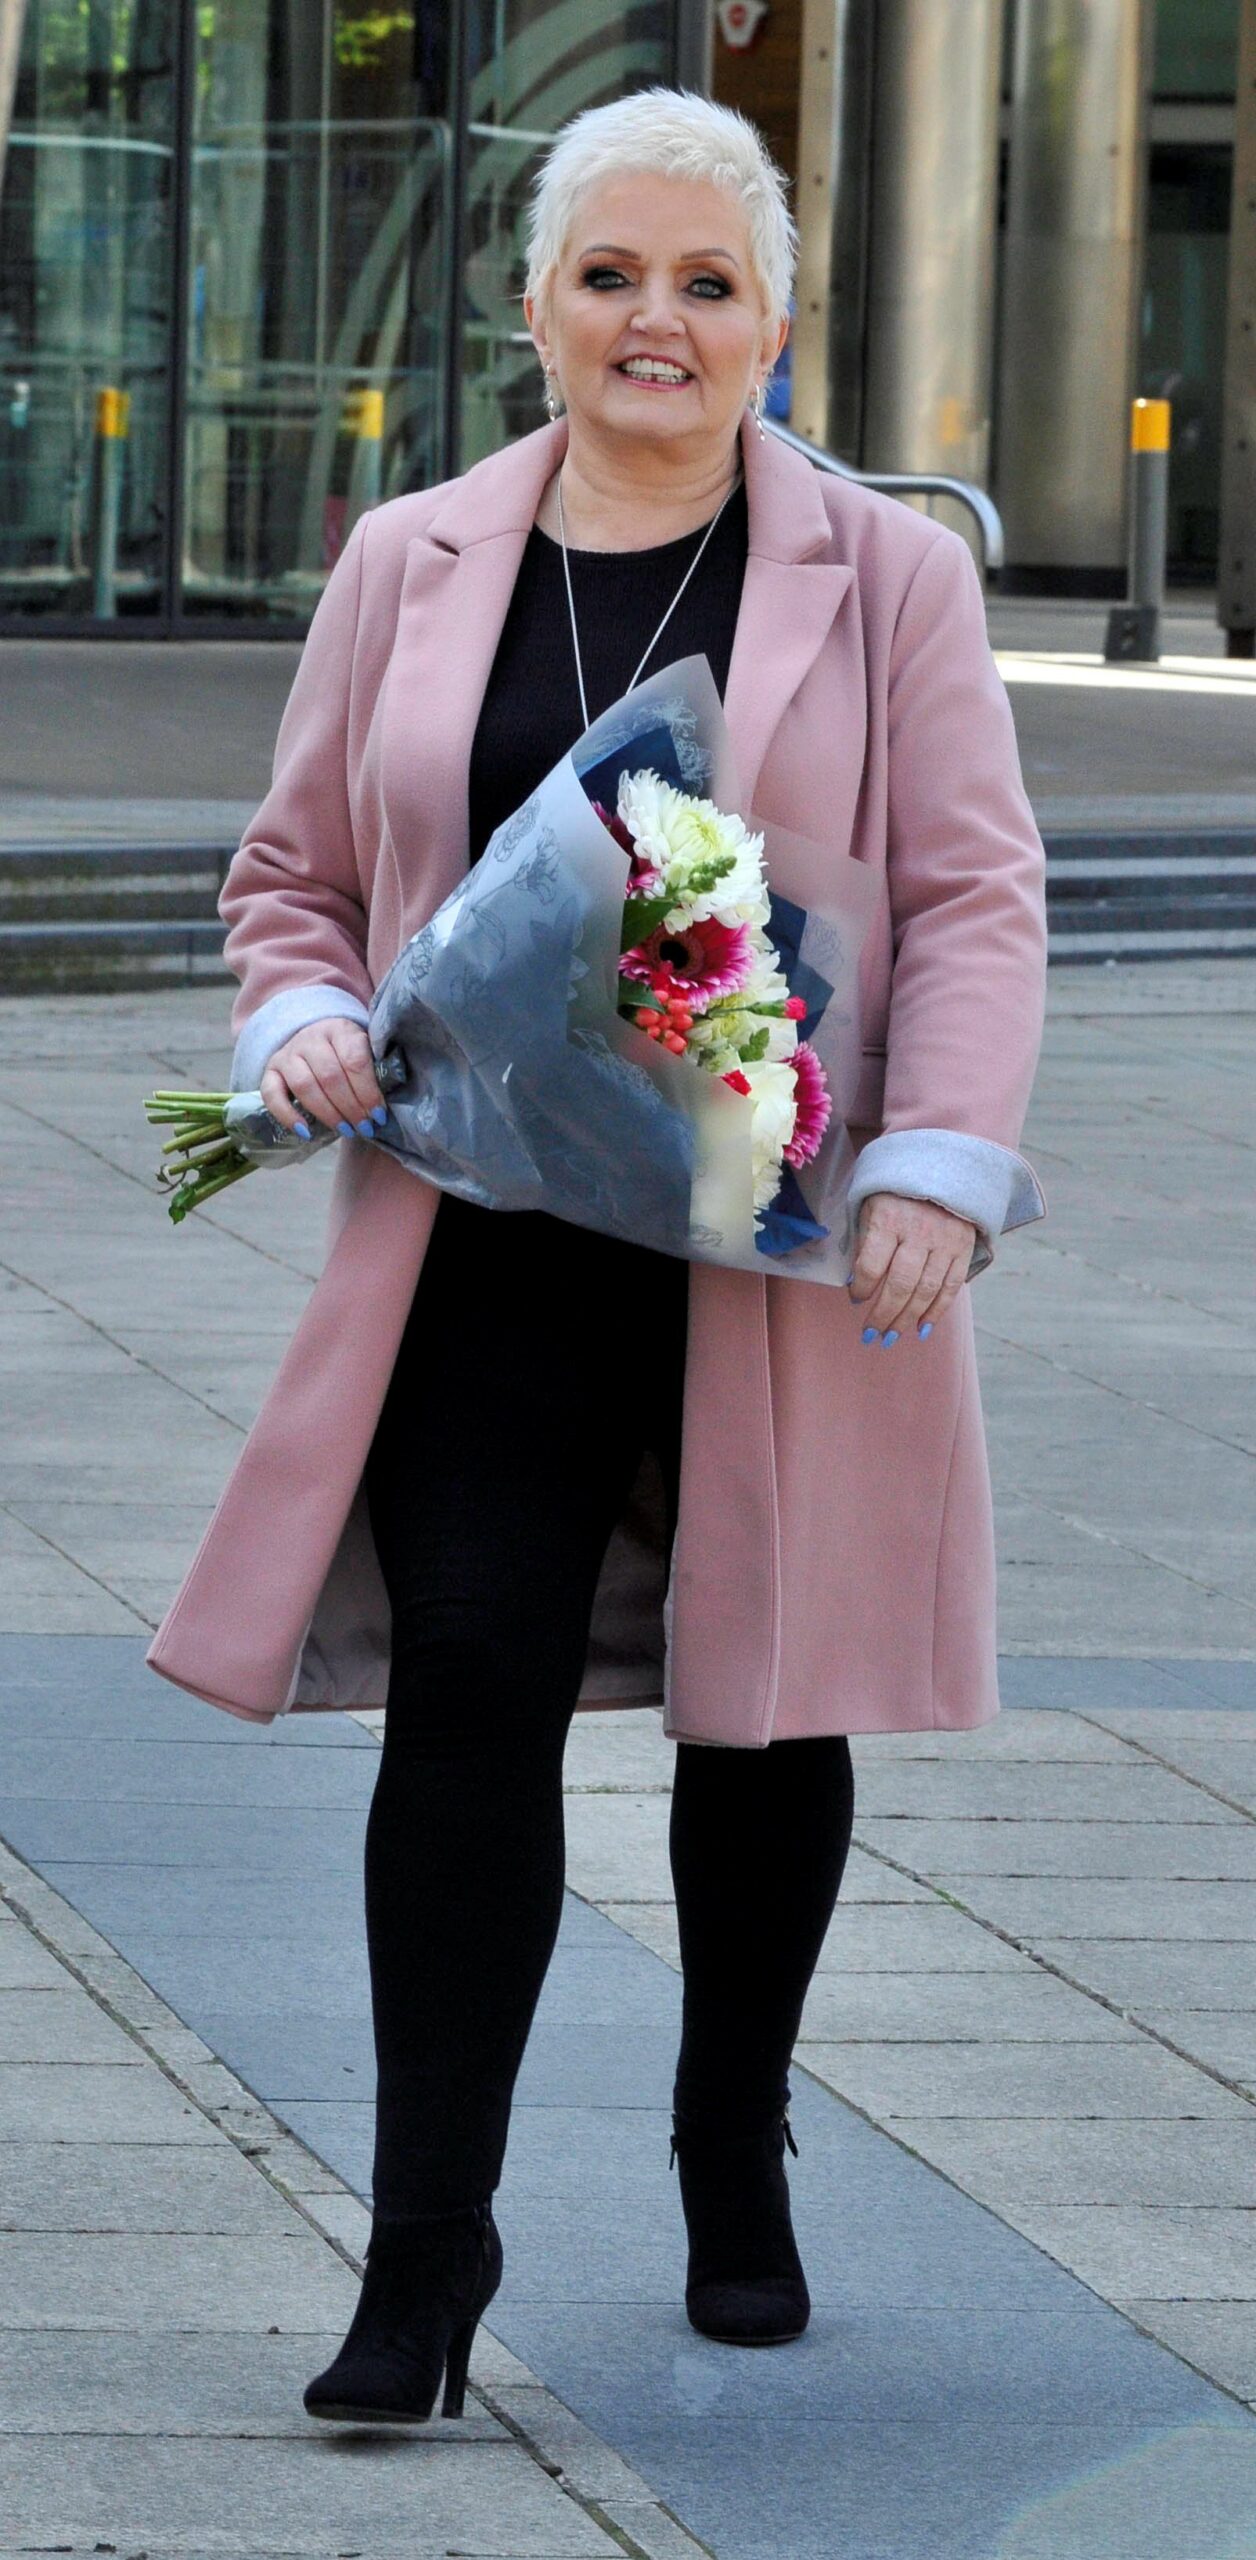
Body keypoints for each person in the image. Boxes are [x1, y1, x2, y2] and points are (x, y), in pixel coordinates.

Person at [147, 87, 1047, 2425]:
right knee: (467, 1693)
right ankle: (425, 2249)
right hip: (481, 1245)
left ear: (776, 319)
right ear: (535, 303)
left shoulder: (891, 574)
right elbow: (284, 873)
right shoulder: (407, 557)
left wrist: (940, 1159)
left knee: (766, 1716)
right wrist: (308, 1010)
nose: (659, 322)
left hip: (780, 1248)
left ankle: (725, 2142)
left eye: (707, 282)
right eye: (610, 276)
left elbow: (966, 891)